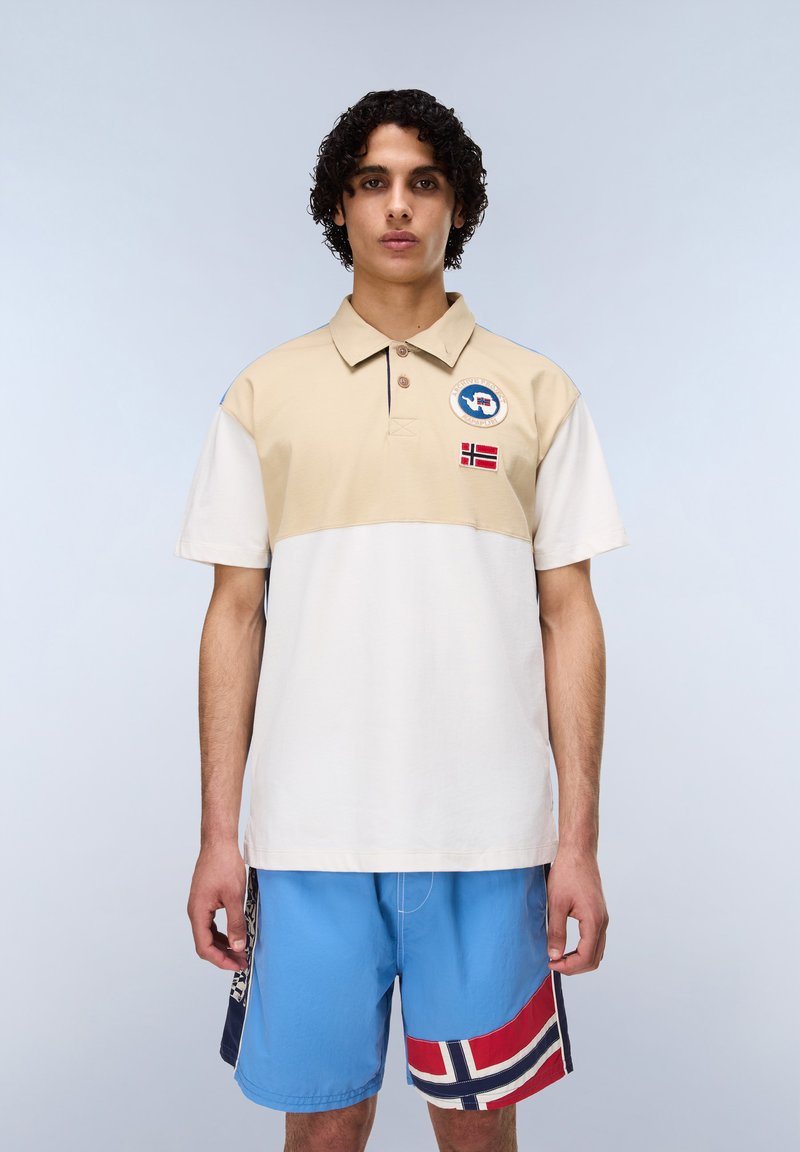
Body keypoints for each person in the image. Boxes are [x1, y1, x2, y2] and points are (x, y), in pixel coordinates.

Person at [175, 88, 629, 1152]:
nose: (396, 207)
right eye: (371, 182)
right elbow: (233, 614)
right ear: (337, 205)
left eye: (423, 183)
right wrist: (216, 837)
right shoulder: (263, 393)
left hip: (489, 840)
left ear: (456, 207)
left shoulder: (536, 391)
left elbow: (570, 617)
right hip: (308, 841)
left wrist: (576, 843)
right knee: (325, 1129)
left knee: (476, 1132)